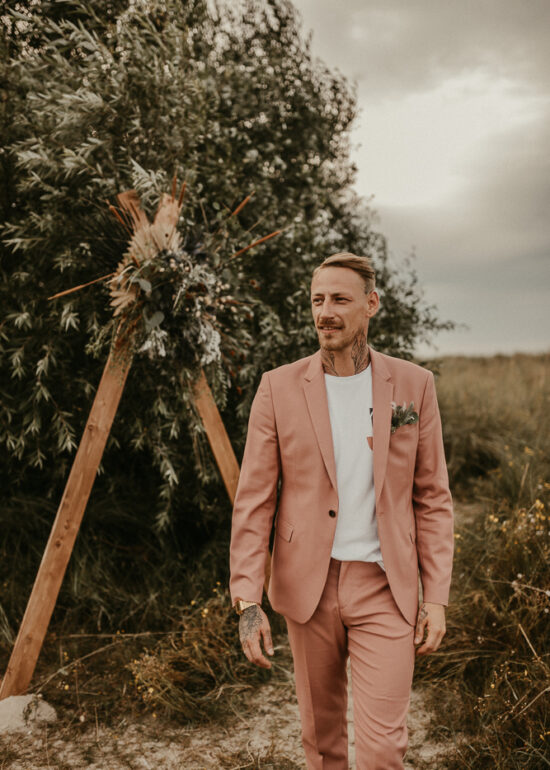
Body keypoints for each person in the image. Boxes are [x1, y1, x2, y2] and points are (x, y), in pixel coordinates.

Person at [229, 252, 454, 769]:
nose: (325, 312)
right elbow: (254, 499)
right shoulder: (278, 386)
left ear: (371, 305)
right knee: (322, 743)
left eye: (339, 299)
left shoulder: (413, 386)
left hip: (386, 586)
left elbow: (433, 496)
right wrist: (247, 600)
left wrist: (436, 595)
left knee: (383, 749)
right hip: (307, 586)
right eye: (317, 300)